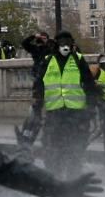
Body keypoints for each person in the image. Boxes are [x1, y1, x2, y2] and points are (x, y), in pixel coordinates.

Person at [34, 30, 99, 179]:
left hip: (75, 114)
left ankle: (72, 177)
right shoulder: (48, 60)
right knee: (52, 148)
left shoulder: (78, 60)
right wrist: (37, 108)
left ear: (72, 45)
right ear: (56, 45)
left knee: (75, 149)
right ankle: (55, 177)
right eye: (62, 44)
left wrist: (90, 108)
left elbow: (89, 85)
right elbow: (38, 85)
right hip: (54, 113)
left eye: (67, 43)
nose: (65, 47)